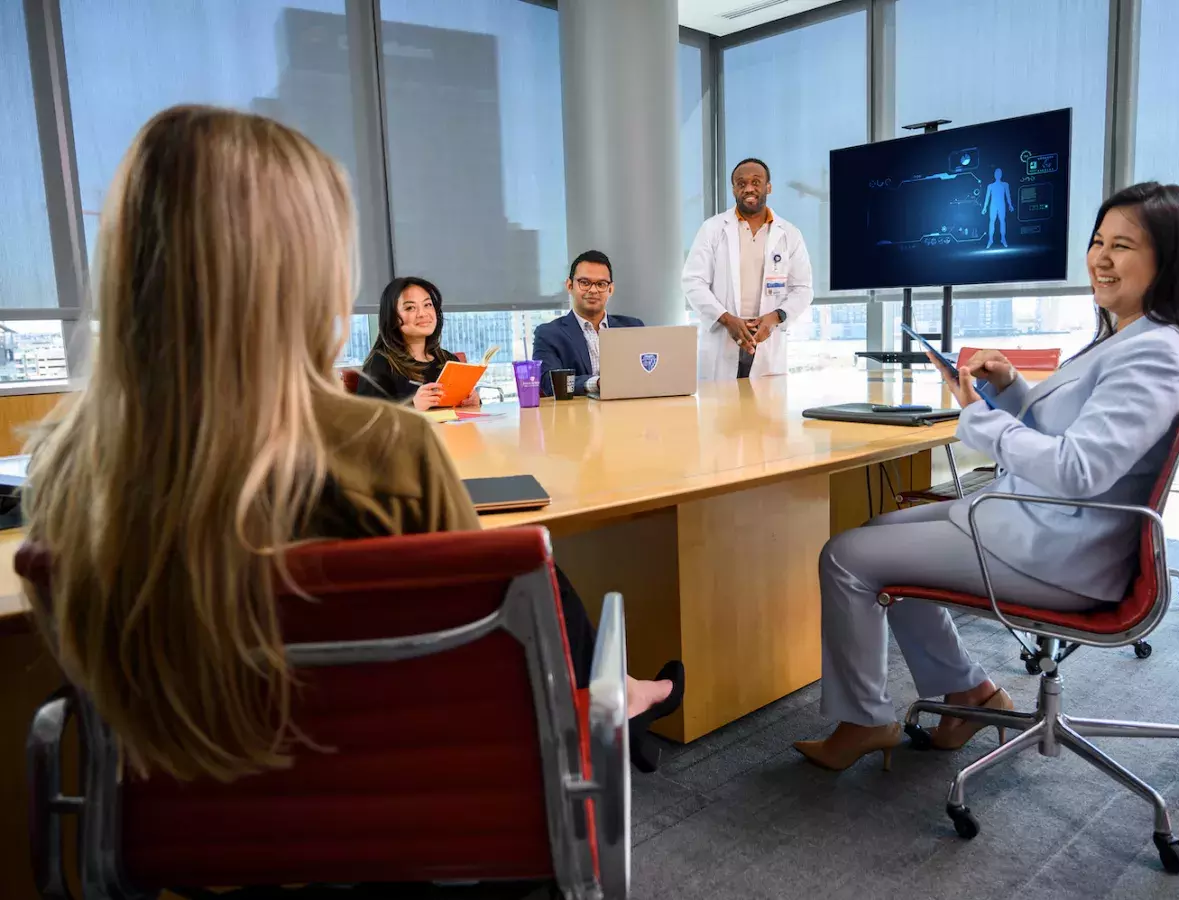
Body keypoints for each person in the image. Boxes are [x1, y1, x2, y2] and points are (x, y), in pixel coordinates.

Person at [20, 105, 682, 783]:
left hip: (176, 832)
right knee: (538, 571)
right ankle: (620, 691)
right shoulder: (386, 450)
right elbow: (487, 658)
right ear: (306, 272)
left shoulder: (63, 470)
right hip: (396, 799)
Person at [793, 182, 1179, 770]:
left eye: (1122, 245)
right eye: (1098, 241)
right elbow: (1071, 432)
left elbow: (1078, 468)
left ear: (1168, 260)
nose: (1100, 258)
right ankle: (968, 694)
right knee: (883, 532)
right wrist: (1011, 389)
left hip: (1058, 550)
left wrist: (977, 419)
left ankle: (864, 721)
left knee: (846, 556)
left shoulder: (1155, 352)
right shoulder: (1129, 337)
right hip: (1037, 522)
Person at [681, 157, 813, 380]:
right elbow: (693, 281)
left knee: (766, 411)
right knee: (723, 412)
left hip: (767, 340)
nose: (748, 188)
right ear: (734, 189)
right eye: (741, 184)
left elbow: (803, 289)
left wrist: (774, 317)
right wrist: (726, 319)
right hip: (724, 337)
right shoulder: (713, 229)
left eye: (756, 182)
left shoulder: (789, 234)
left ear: (768, 187)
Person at [356, 276, 480, 411]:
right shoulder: (379, 364)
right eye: (410, 308)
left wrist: (473, 401)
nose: (422, 313)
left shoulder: (449, 360)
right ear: (392, 317)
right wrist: (412, 405)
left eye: (427, 305)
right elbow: (365, 418)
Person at [533, 250, 644, 397]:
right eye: (584, 283)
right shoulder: (549, 334)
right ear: (569, 285)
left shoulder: (633, 327)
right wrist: (596, 383)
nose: (593, 290)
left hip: (627, 413)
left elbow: (647, 375)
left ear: (610, 289)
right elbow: (549, 382)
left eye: (601, 284)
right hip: (576, 417)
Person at [982, 167, 1015, 249]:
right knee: (992, 221)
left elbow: (1008, 195)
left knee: (1002, 221)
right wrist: (984, 207)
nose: (998, 175)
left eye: (999, 173)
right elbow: (987, 197)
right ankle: (990, 240)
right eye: (996, 173)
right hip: (993, 205)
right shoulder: (990, 186)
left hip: (1001, 205)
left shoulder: (1005, 184)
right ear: (994, 175)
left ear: (1001, 175)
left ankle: (1003, 239)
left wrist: (1010, 204)